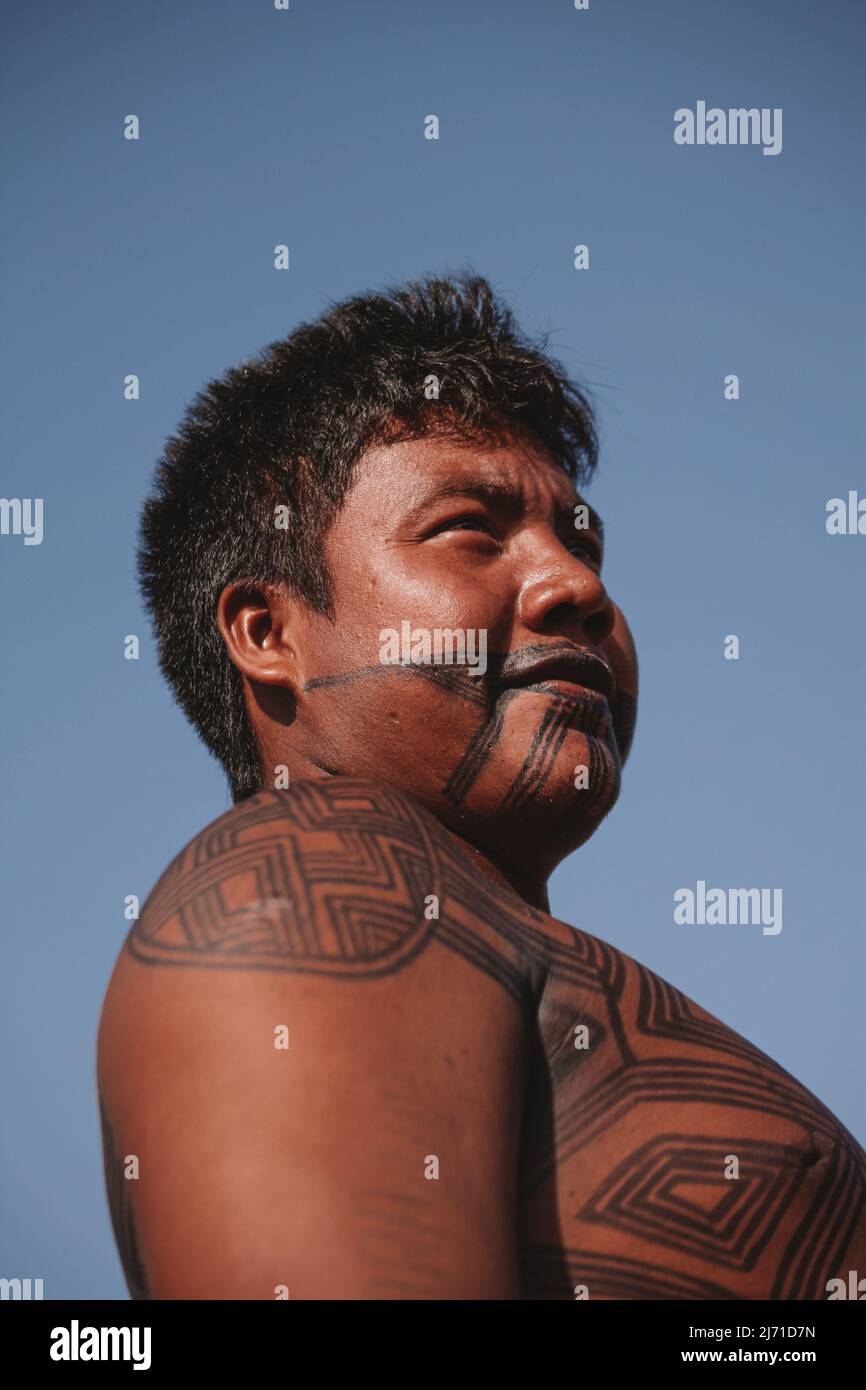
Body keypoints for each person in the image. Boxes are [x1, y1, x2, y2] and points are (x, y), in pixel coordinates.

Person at [97, 271, 866, 1299]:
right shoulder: (306, 868)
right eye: (472, 530)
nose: (578, 587)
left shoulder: (494, 939)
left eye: (580, 540)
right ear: (269, 632)